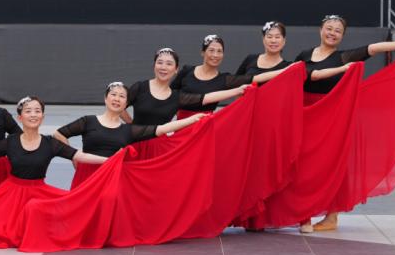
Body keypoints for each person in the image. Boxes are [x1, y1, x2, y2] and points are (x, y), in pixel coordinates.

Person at [295, 14, 395, 232]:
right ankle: (303, 213)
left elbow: (372, 48)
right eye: (329, 28)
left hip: (331, 118)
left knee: (333, 165)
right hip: (306, 115)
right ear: (320, 30)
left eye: (337, 31)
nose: (332, 33)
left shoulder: (343, 57)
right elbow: (296, 79)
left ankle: (331, 216)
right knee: (303, 166)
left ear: (342, 36)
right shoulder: (305, 55)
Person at [0, 96, 109, 247]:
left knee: (63, 207)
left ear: (42, 117)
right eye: (28, 111)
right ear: (20, 118)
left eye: (37, 111)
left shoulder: (51, 143)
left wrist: (109, 160)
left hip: (40, 192)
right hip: (11, 195)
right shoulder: (11, 141)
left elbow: (80, 156)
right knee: (6, 230)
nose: (33, 114)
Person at [55, 81, 207, 188]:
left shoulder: (129, 130)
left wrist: (192, 119)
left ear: (126, 103)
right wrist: (75, 157)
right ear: (105, 98)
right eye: (113, 94)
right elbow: (58, 134)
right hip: (86, 178)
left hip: (112, 180)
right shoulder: (88, 121)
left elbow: (162, 128)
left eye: (122, 96)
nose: (117, 99)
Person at [123, 48, 248, 125]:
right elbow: (118, 105)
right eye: (160, 62)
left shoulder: (176, 97)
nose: (163, 67)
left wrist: (237, 90)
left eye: (169, 64)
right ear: (154, 65)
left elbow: (206, 98)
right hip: (134, 145)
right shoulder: (140, 87)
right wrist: (131, 125)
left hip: (160, 148)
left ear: (176, 69)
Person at [172, 34, 255, 117]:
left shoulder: (224, 79)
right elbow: (170, 94)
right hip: (182, 122)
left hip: (207, 122)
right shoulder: (187, 71)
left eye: (219, 51)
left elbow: (252, 79)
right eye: (211, 50)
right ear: (203, 53)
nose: (215, 55)